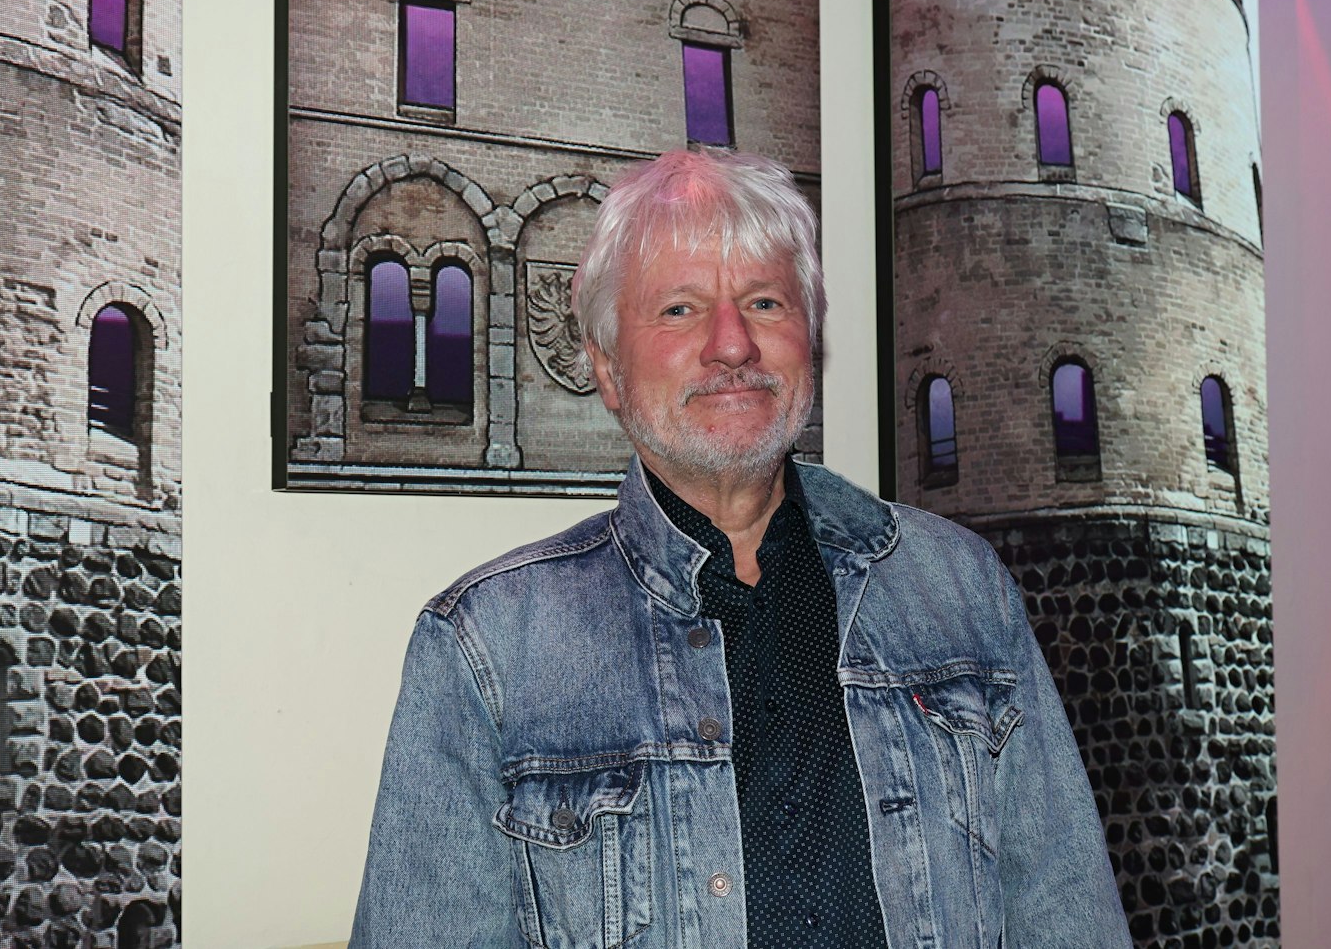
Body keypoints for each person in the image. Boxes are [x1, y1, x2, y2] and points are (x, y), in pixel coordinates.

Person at [349, 147, 1132, 948]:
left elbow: (1069, 914)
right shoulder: (486, 646)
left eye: (763, 302)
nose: (733, 346)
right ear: (609, 370)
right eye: (680, 310)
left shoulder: (958, 587)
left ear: (809, 341)